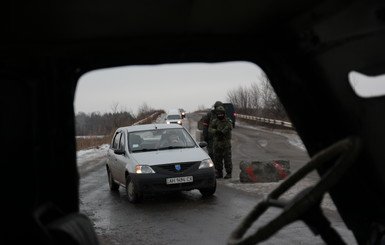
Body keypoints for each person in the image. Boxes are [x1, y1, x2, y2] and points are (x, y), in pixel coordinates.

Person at [208, 105, 233, 179]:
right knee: (217, 160)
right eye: (219, 114)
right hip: (217, 144)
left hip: (226, 144)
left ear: (224, 114)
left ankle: (229, 173)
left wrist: (222, 132)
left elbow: (229, 127)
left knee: (227, 159)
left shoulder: (227, 121)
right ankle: (219, 173)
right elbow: (210, 129)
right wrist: (216, 131)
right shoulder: (215, 121)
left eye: (221, 114)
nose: (220, 115)